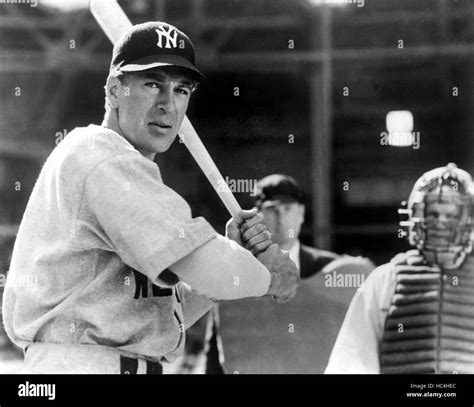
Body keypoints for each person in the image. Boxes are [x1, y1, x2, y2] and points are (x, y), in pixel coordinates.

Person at [1, 21, 299, 374]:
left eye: (181, 90)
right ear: (114, 91)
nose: (167, 105)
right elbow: (210, 268)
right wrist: (271, 276)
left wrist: (232, 261)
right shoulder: (100, 157)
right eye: (153, 84)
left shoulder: (124, 171)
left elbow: (163, 322)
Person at [199, 174, 375, 374]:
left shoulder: (334, 271)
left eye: (288, 209)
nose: (281, 218)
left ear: (301, 213)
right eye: (273, 210)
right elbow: (219, 346)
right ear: (258, 216)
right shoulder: (238, 277)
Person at [326, 163, 474, 374]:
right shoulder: (385, 280)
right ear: (416, 217)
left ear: (467, 221)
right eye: (432, 215)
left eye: (450, 216)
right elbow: (351, 363)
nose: (440, 223)